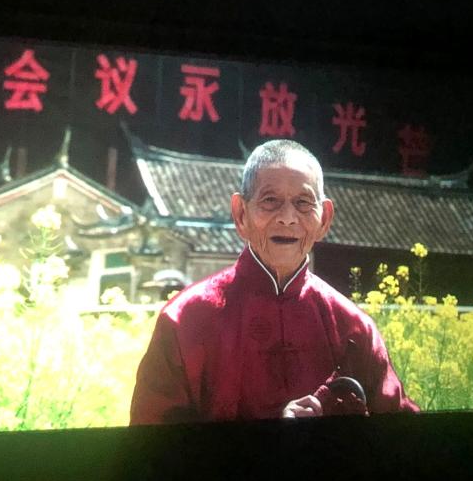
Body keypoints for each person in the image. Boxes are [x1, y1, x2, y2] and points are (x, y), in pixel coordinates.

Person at [130, 140, 419, 424]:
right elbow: (150, 444)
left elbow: (404, 438)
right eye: (270, 201)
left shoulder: (354, 328)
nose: (287, 218)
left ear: (325, 218)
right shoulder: (185, 321)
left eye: (303, 203)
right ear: (241, 214)